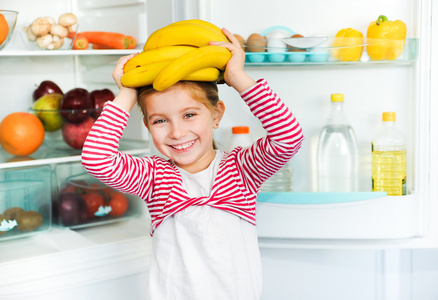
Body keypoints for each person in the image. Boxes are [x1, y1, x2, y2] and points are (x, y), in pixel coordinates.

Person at [81, 27, 304, 300]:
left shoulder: (242, 169)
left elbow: (288, 138)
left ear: (216, 115)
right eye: (160, 120)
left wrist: (237, 77)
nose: (176, 132)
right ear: (148, 126)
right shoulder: (154, 177)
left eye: (189, 114)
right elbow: (96, 158)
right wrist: (127, 93)